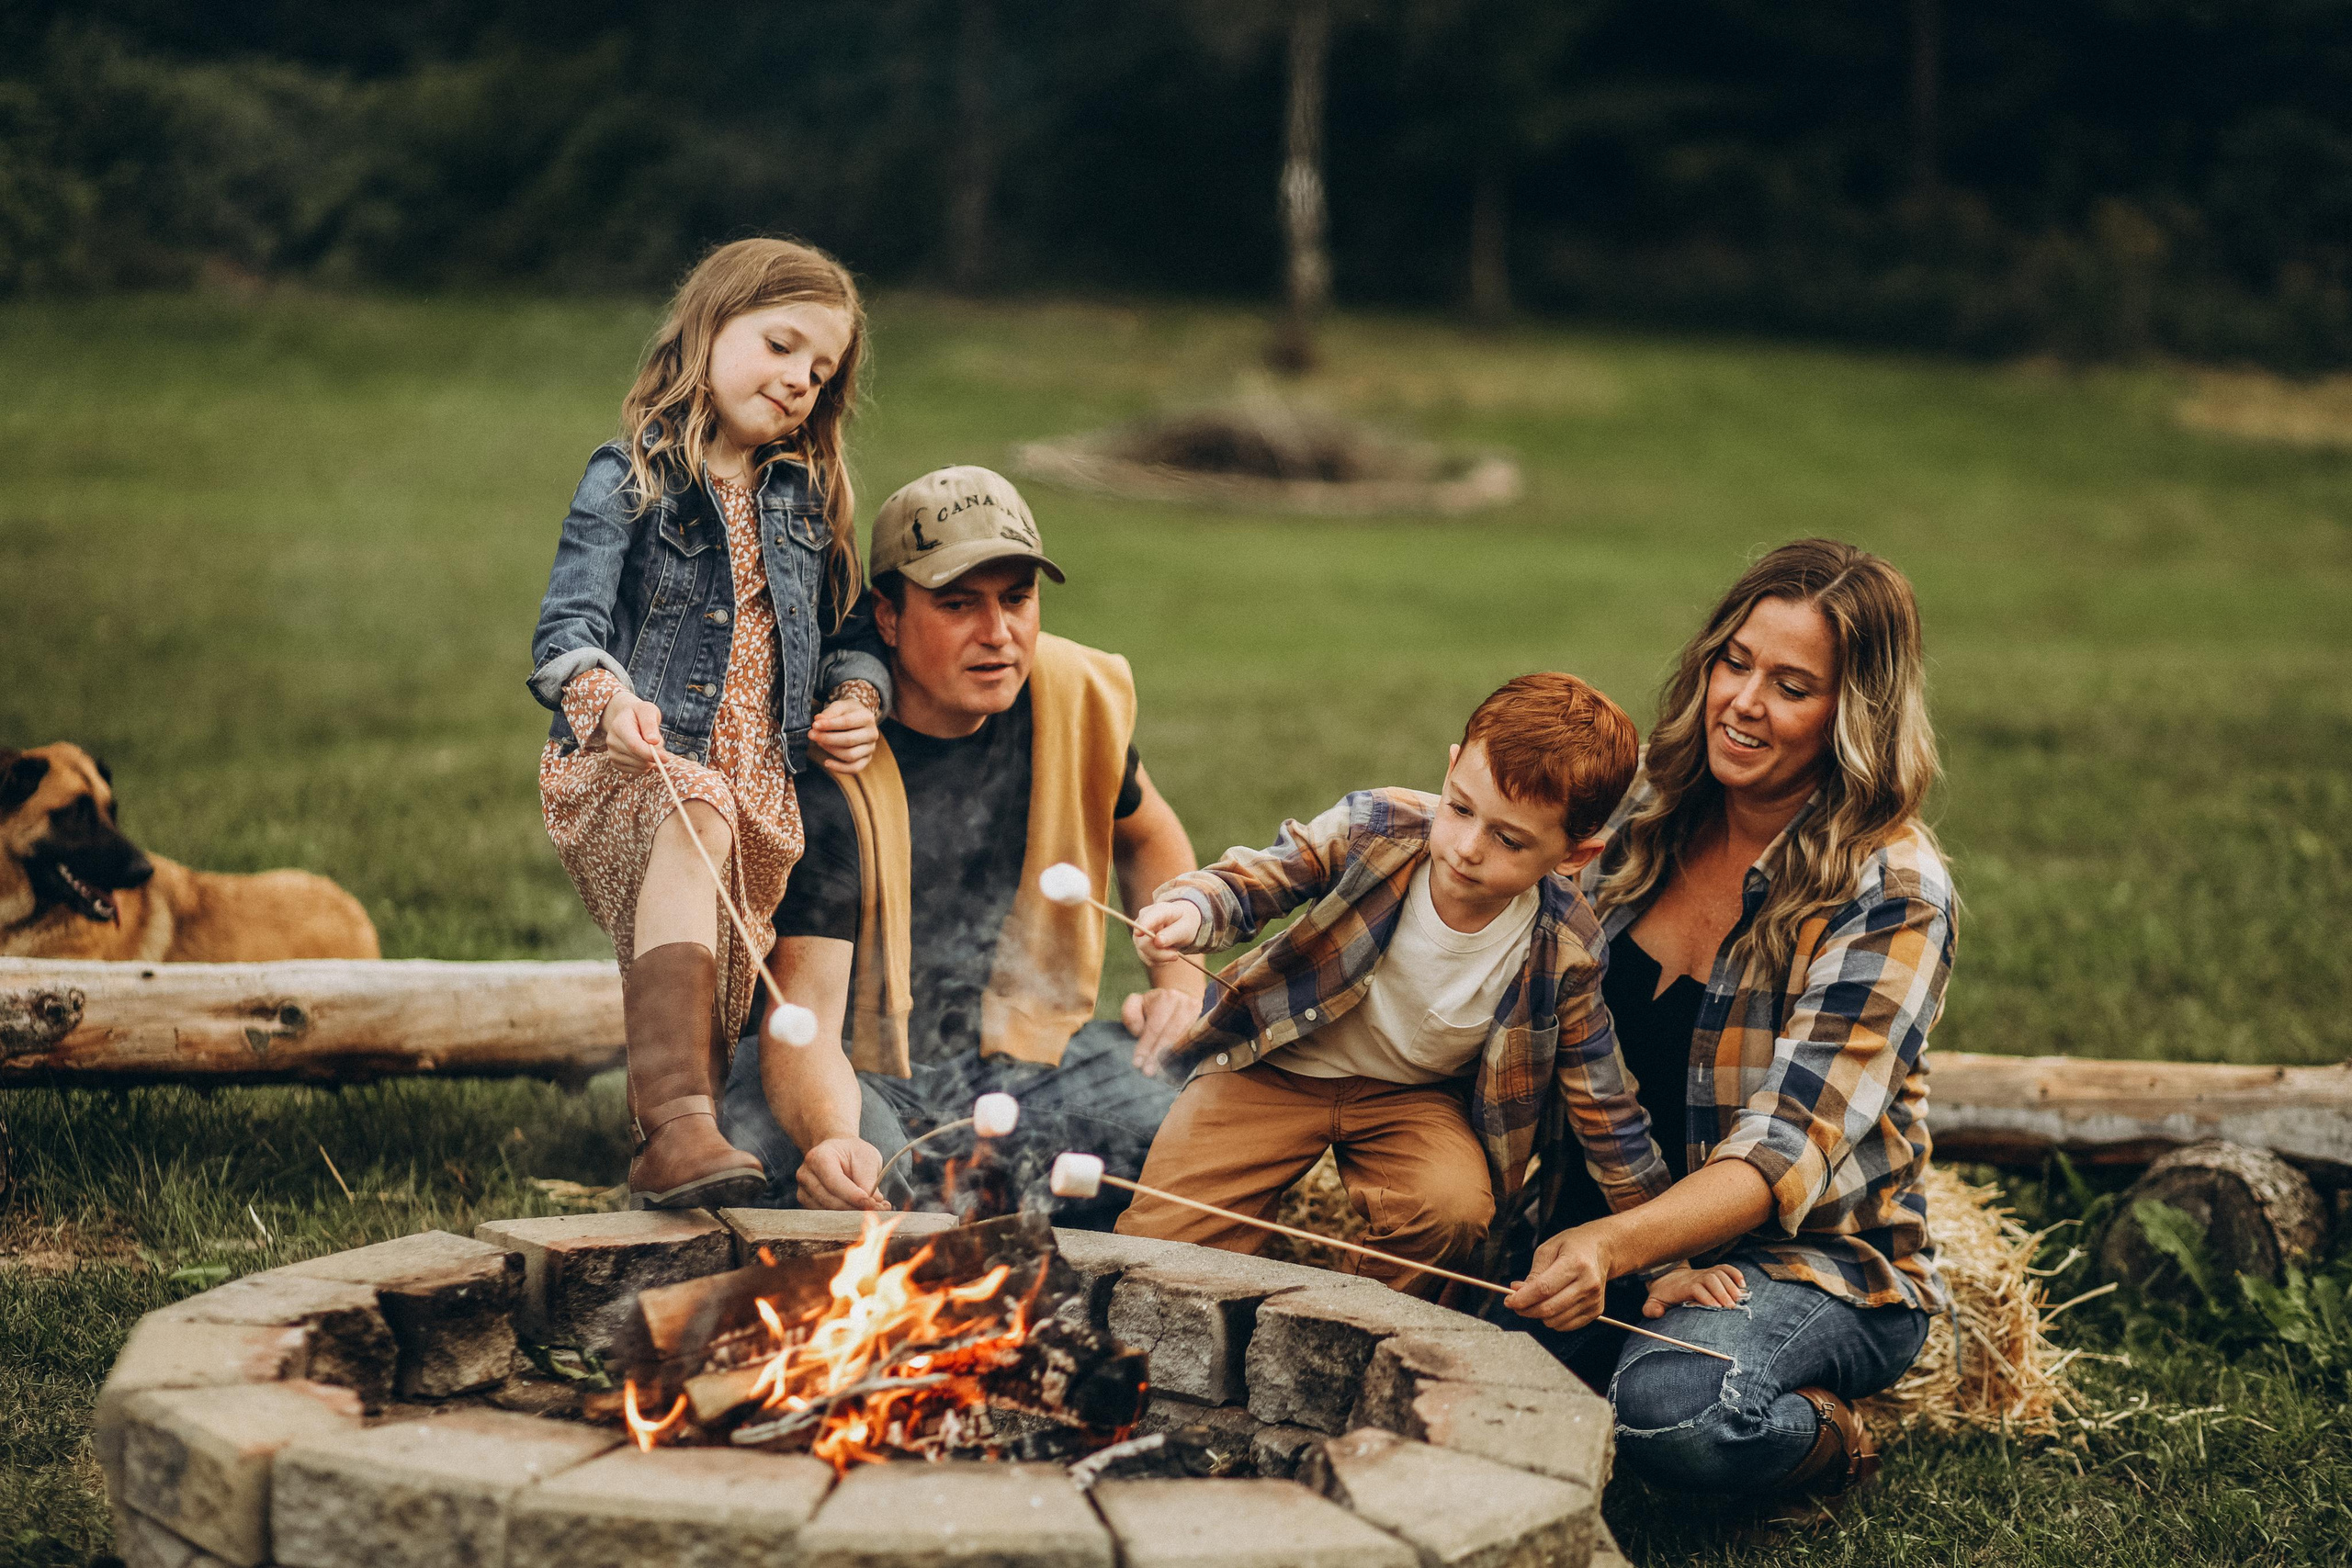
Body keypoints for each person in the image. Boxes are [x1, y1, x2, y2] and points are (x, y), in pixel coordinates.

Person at [1498, 539, 1953, 1506]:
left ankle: (1832, 1438)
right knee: (1448, 1376)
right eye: (1734, 662)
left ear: (1852, 716)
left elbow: (1781, 1148)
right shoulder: (1637, 820)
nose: (1743, 702)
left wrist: (1619, 1250)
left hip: (1805, 1263)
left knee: (1675, 1414)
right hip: (1606, 1226)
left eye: (1790, 685)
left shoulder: (1892, 890)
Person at [720, 466, 1204, 1221]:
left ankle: (985, 1198)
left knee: (1201, 1127)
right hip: (848, 1072)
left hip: (1021, 1063)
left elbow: (1149, 836)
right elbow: (804, 1015)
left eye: (1017, 599)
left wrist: (1179, 983)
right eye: (957, 604)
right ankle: (954, 1199)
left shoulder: (1070, 697)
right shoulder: (838, 763)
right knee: (852, 1179)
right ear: (887, 615)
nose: (998, 633)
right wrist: (833, 1134)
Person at [528, 237, 890, 1212]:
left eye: (820, 372)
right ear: (709, 325)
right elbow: (567, 631)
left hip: (762, 784)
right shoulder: (628, 479)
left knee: (735, 931)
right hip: (632, 768)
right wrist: (604, 701)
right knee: (696, 797)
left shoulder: (805, 503)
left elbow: (850, 632)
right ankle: (673, 1128)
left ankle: (719, 1139)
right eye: (780, 346)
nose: (798, 382)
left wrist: (856, 699)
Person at [1114, 674, 1676, 1298]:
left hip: (1413, 1100)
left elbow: (1606, 1106)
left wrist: (1668, 1260)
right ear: (1453, 766)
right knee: (1158, 1248)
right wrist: (1194, 909)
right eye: (1461, 807)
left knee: (1453, 1210)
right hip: (1274, 1065)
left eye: (1508, 838)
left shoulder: (1567, 945)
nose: (1466, 847)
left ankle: (1351, 1334)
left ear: (1575, 855)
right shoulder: (1377, 827)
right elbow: (1264, 876)